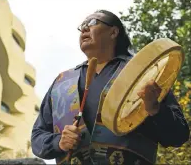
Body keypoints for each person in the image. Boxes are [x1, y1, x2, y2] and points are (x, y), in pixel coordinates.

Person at [31, 10, 190, 165]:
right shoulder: (62, 82)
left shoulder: (142, 73)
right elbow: (37, 137)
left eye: (92, 22)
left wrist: (155, 108)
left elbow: (178, 135)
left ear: (113, 32)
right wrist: (59, 142)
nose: (84, 28)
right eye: (82, 25)